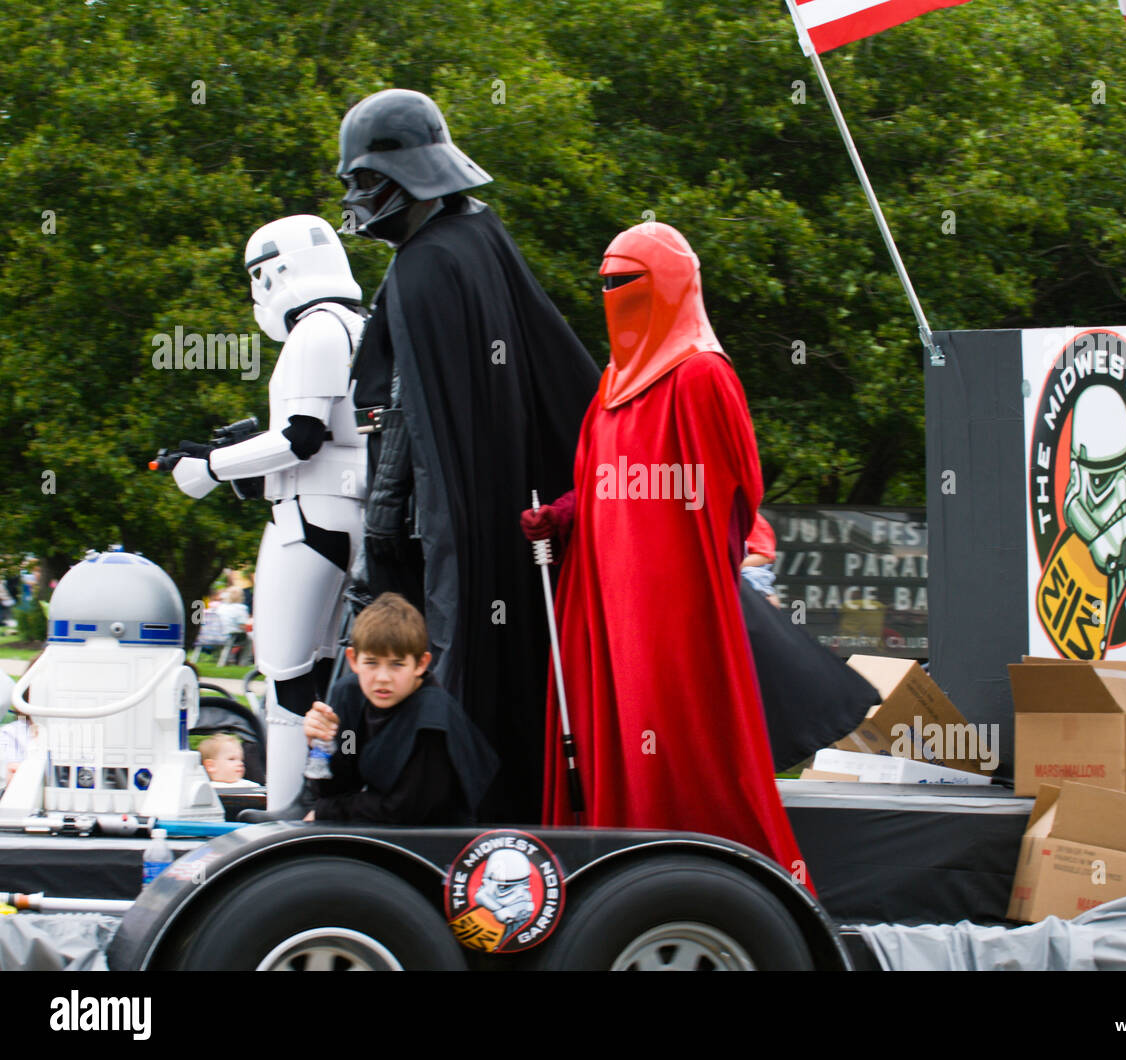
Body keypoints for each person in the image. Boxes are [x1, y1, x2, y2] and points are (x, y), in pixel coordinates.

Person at [337, 88, 600, 822]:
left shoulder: (428, 266)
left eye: (364, 180)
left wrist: (385, 536)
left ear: (406, 175)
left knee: (405, 667)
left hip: (442, 532)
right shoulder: (478, 239)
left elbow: (412, 425)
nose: (356, 200)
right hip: (476, 523)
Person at [521, 221, 808, 882]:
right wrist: (560, 517)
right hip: (602, 604)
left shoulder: (703, 376)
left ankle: (726, 888)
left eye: (627, 281)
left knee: (682, 747)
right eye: (607, 284)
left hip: (673, 609)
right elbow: (598, 488)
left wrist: (685, 572)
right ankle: (619, 884)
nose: (613, 294)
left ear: (674, 286)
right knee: (610, 747)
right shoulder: (610, 389)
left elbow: (739, 493)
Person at [169, 215, 369, 808]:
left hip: (308, 523)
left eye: (259, 276)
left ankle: (284, 816)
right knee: (329, 681)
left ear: (279, 271)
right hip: (348, 518)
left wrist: (211, 466)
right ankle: (320, 806)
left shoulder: (317, 330)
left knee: (287, 680)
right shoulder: (362, 326)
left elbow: (300, 436)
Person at [300, 593, 498, 825]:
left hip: (437, 841)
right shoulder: (350, 695)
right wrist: (322, 745)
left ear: (421, 664)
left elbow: (403, 810)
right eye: (371, 663)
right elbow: (337, 784)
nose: (383, 678)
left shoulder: (432, 721)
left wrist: (325, 812)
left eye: (397, 664)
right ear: (353, 660)